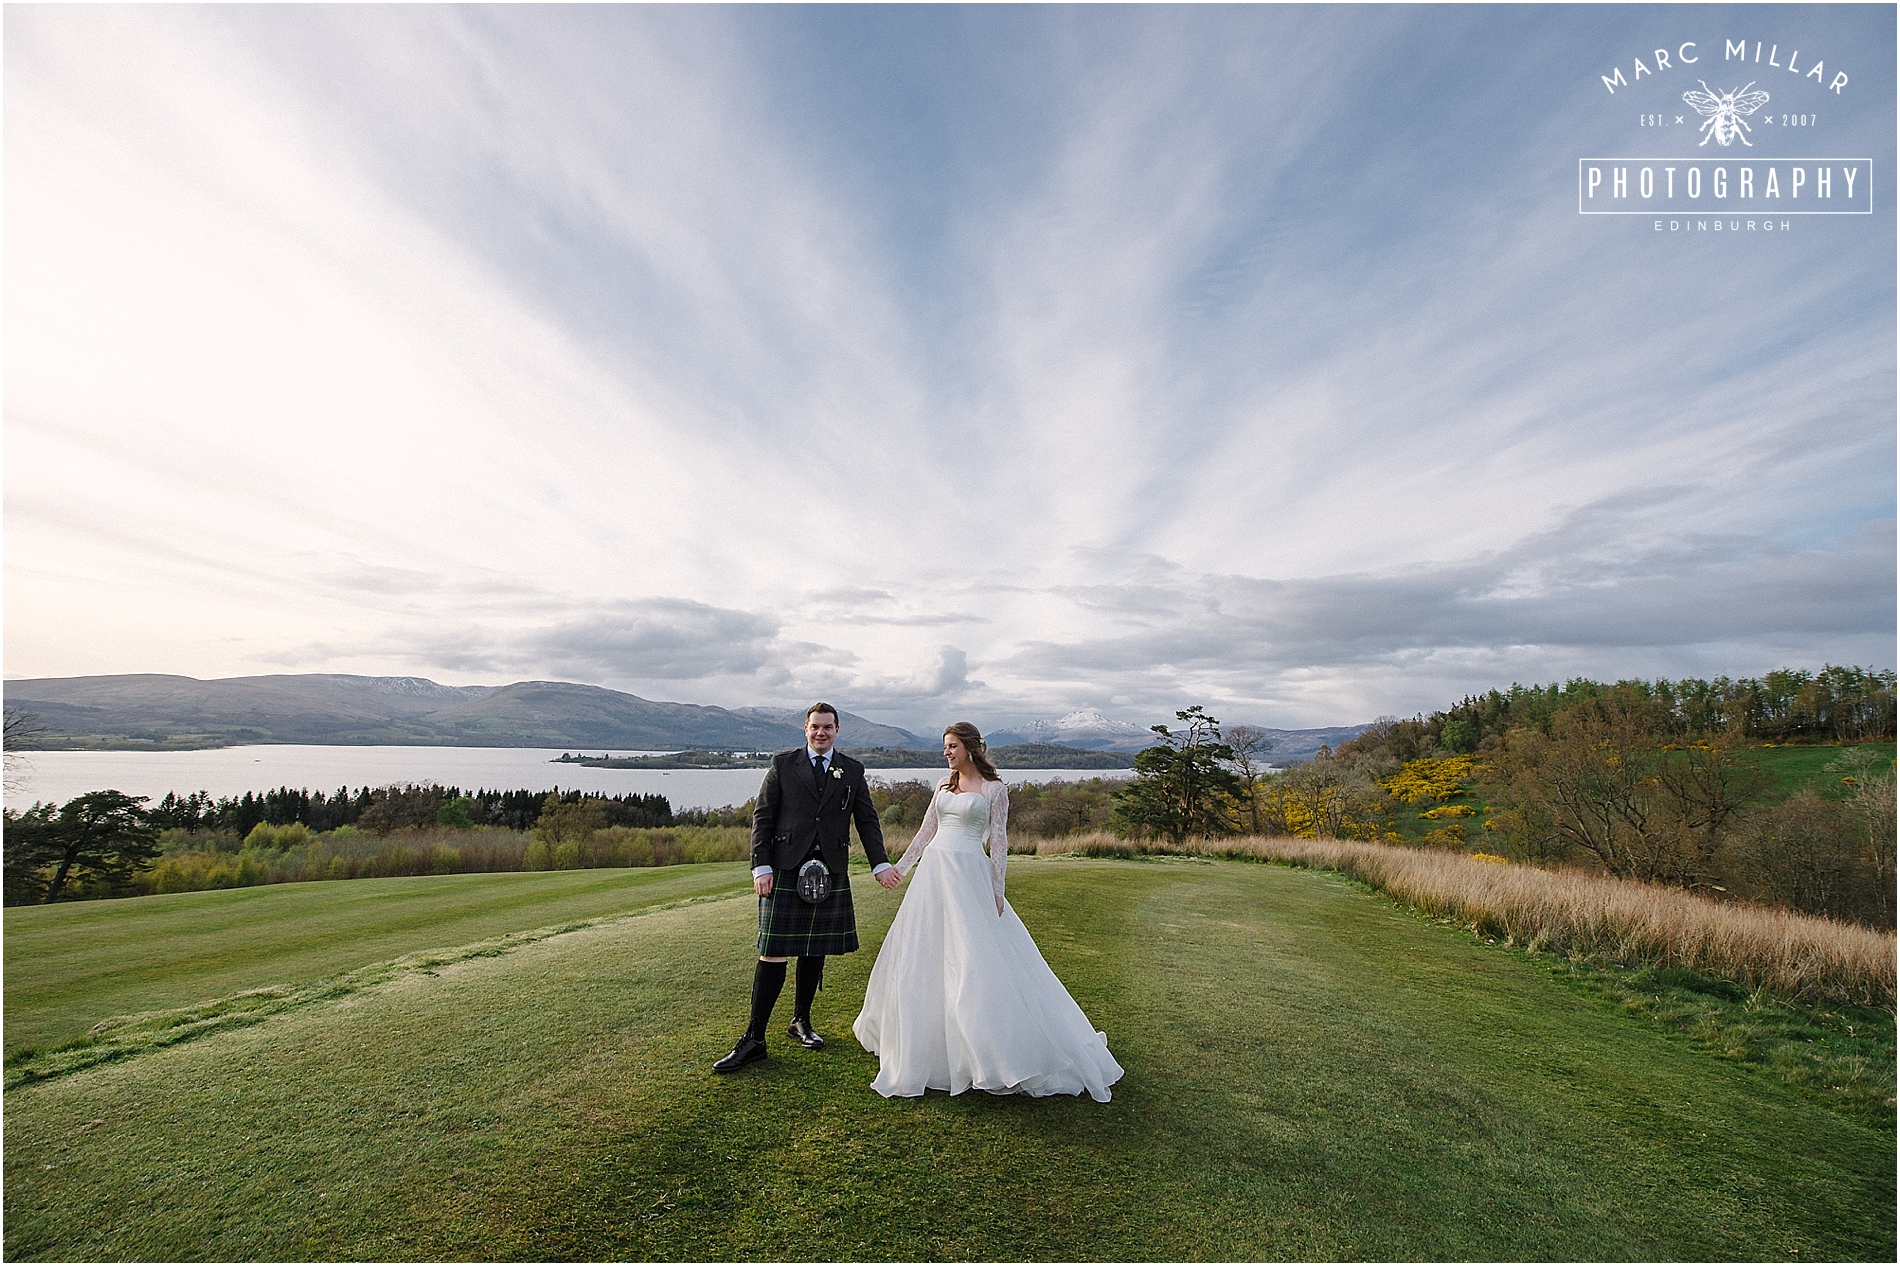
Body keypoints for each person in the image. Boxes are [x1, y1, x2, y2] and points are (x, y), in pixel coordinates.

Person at [852, 722, 1124, 1101]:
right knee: (923, 954)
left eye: (951, 746)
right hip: (933, 874)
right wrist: (901, 867)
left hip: (968, 874)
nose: (946, 752)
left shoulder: (996, 790)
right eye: (945, 747)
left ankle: (986, 1046)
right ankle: (924, 1039)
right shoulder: (943, 786)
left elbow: (999, 840)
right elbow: (926, 831)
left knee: (971, 958)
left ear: (969, 748)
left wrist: (998, 889)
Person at [713, 702, 901, 1073]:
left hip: (828, 870)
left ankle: (801, 1021)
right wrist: (760, 866)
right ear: (805, 728)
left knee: (814, 948)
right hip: (784, 868)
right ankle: (754, 1038)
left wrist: (880, 862)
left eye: (828, 727)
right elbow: (762, 817)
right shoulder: (783, 765)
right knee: (773, 951)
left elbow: (866, 819)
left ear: (837, 730)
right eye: (815, 727)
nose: (821, 733)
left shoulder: (851, 770)